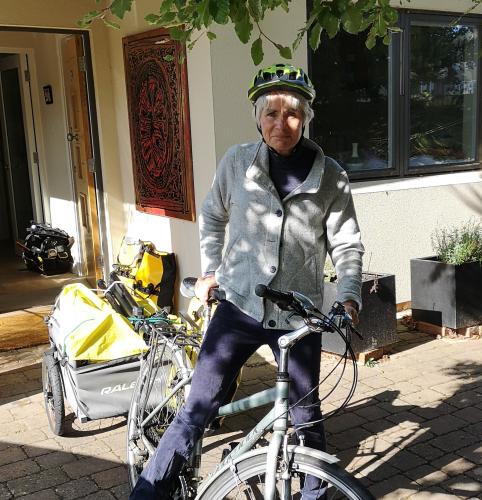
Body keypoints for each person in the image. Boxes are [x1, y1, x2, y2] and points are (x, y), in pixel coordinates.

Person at [130, 63, 364, 499]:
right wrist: (211, 270)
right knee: (198, 409)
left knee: (306, 414)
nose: (281, 123)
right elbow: (214, 216)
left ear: (306, 117)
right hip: (237, 307)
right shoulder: (238, 162)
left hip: (299, 316)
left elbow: (347, 244)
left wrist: (349, 297)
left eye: (292, 113)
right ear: (257, 117)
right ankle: (148, 493)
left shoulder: (330, 174)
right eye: (271, 113)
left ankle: (315, 493)